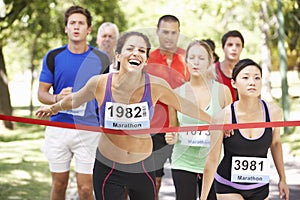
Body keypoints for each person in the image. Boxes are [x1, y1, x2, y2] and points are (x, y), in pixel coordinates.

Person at [36, 31, 212, 200]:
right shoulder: (100, 83)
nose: (136, 53)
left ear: (145, 60)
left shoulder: (156, 85)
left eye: (142, 51)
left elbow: (183, 104)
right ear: (118, 56)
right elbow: (75, 99)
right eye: (130, 49)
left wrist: (213, 121)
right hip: (108, 167)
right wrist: (53, 108)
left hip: (143, 167)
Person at [37, 5, 110, 200]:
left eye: (81, 23)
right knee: (59, 184)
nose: (76, 27)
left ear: (89, 29)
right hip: (58, 127)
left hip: (88, 130)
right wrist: (58, 98)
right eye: (72, 23)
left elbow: (107, 95)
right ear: (66, 28)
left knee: (86, 189)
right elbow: (42, 93)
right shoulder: (53, 56)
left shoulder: (101, 59)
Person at [200, 58, 289, 200]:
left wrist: (282, 178)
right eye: (246, 77)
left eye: (257, 78)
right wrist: (203, 197)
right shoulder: (223, 117)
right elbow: (212, 159)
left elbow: (276, 143)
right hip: (228, 186)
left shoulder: (274, 112)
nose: (252, 82)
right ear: (234, 83)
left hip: (260, 187)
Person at [165, 40, 232, 200]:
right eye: (192, 57)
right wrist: (170, 137)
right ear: (186, 61)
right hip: (183, 162)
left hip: (214, 162)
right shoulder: (175, 94)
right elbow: (173, 130)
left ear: (210, 61)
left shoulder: (223, 92)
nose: (196, 62)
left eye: (201, 58)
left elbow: (230, 132)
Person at [143, 15, 189, 198]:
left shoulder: (187, 59)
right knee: (154, 181)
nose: (169, 37)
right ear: (157, 32)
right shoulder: (147, 59)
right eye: (165, 32)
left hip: (184, 129)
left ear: (178, 33)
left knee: (186, 181)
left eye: (173, 32)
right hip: (154, 130)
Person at [215, 30, 244, 101]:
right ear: (223, 47)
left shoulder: (248, 70)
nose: (234, 48)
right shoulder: (212, 70)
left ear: (242, 48)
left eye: (238, 45)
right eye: (230, 45)